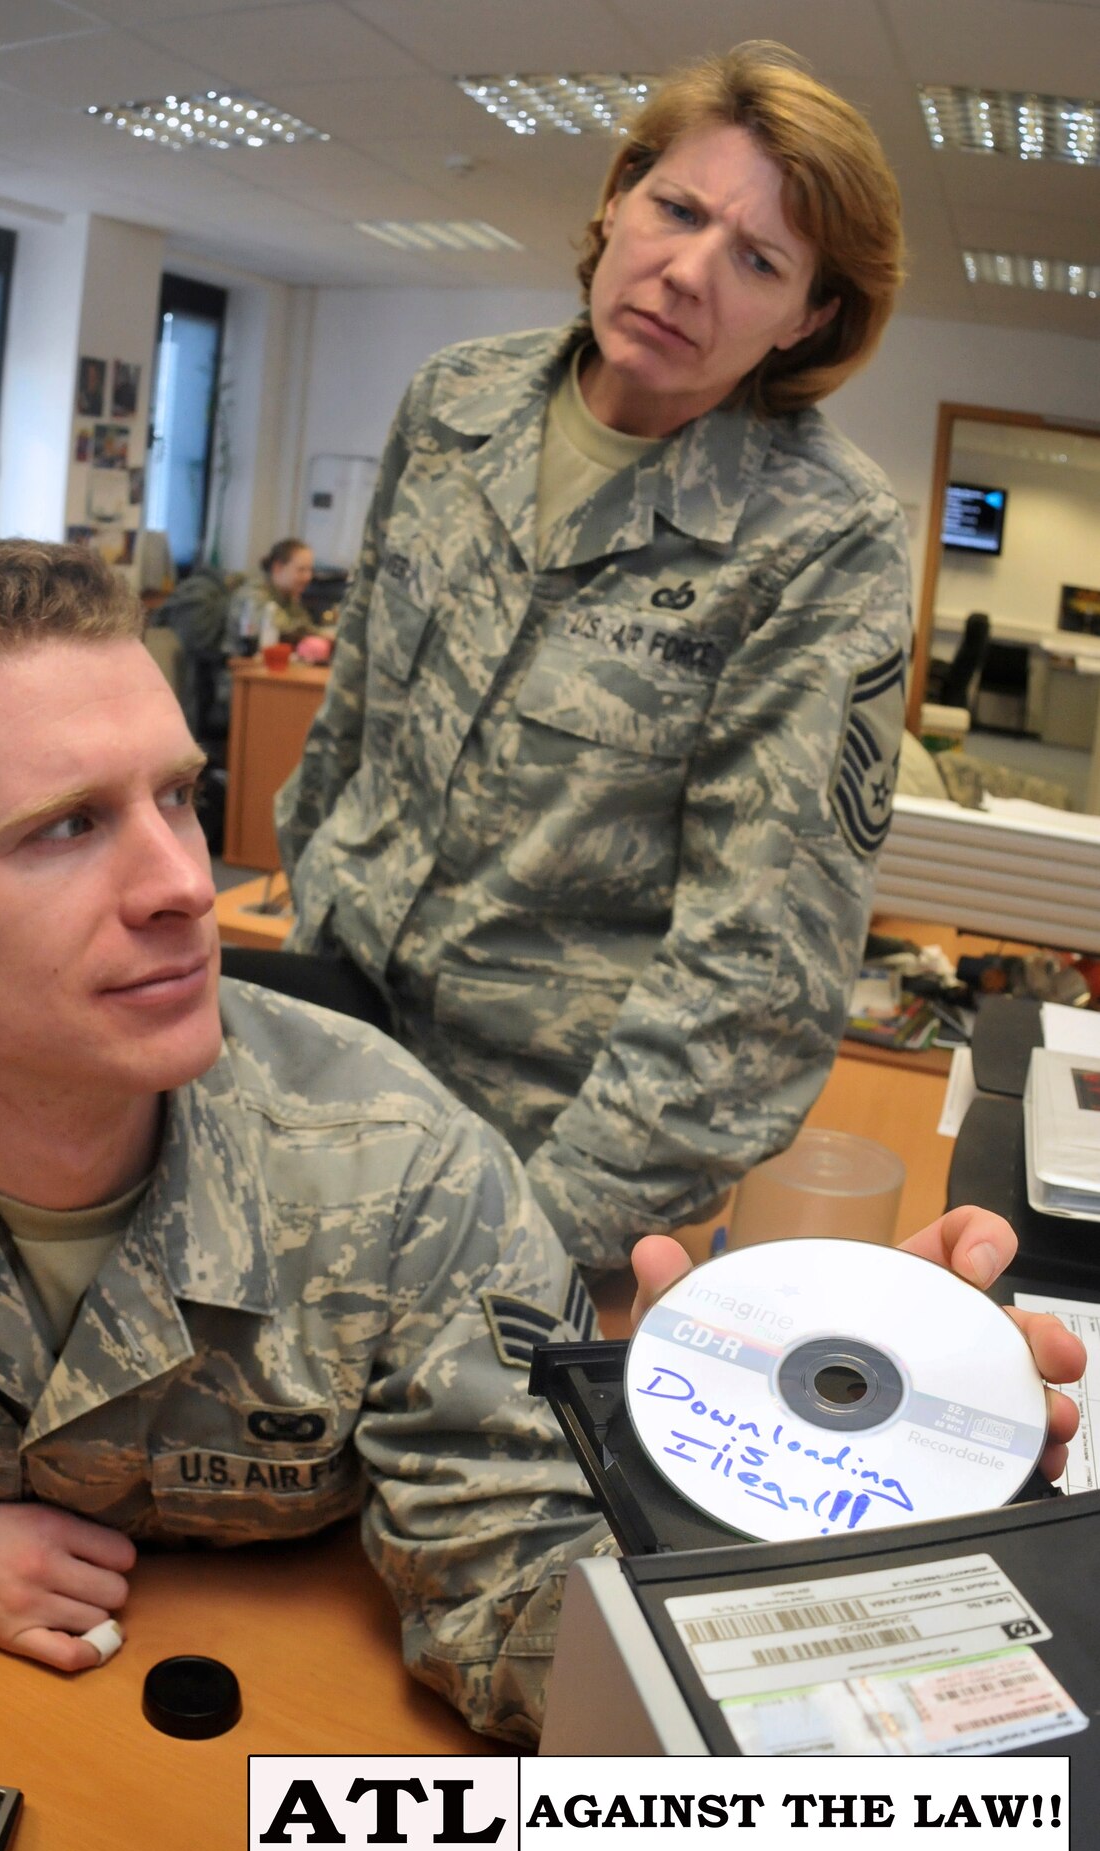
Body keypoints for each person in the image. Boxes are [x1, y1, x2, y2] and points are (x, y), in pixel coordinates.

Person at [0, 542, 1081, 1748]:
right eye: (68, 827)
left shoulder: (402, 1174)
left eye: (176, 799)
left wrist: (804, 1551)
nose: (177, 887)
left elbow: (512, 1602)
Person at [275, 44, 913, 1276]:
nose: (687, 272)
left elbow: (756, 976)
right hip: (321, 1044)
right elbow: (349, 725)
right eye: (676, 209)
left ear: (809, 317)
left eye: (758, 260)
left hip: (547, 1148)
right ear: (617, 197)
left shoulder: (820, 536)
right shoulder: (453, 403)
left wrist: (526, 1246)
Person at [224, 537, 329, 655]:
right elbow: (284, 629)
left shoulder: (287, 597)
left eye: (310, 570)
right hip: (236, 668)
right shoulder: (254, 594)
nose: (308, 577)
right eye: (301, 570)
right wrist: (326, 635)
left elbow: (304, 626)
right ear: (278, 568)